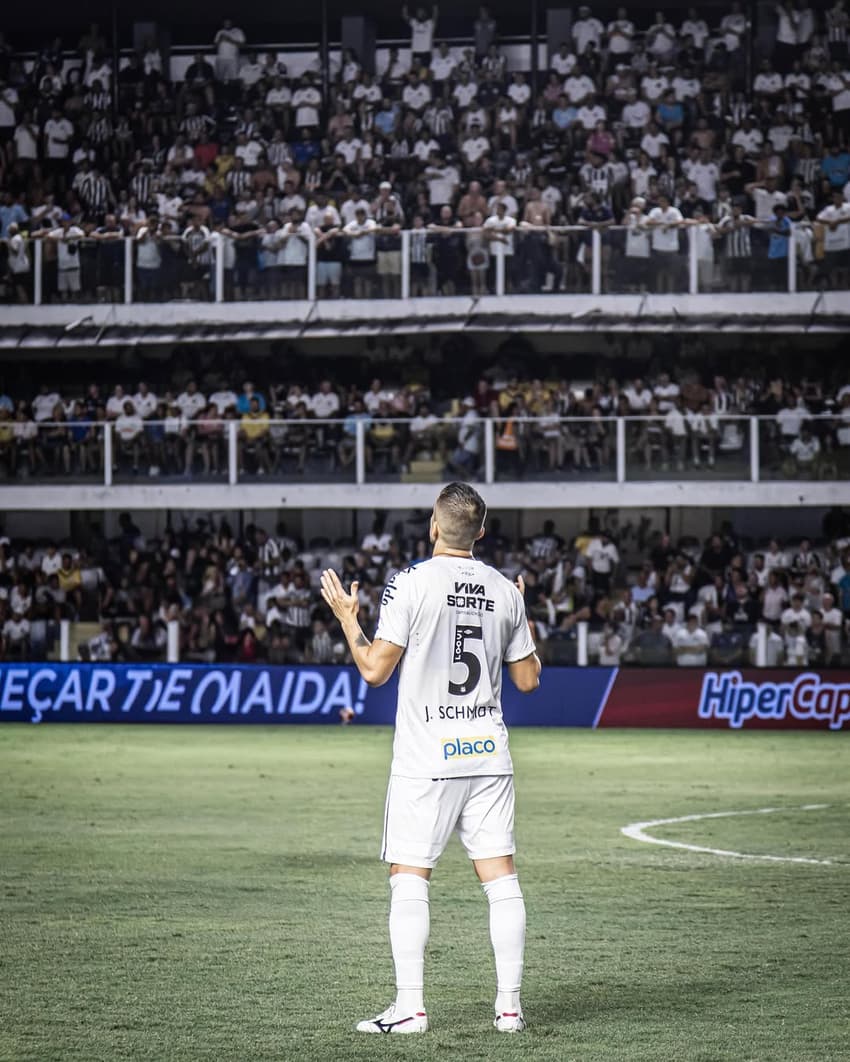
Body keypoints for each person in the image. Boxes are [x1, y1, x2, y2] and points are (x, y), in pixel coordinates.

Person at [320, 482, 541, 1035]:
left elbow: (375, 670)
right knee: (501, 879)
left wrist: (348, 617)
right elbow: (528, 680)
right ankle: (509, 1010)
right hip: (487, 754)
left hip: (427, 758)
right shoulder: (505, 591)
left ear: (434, 525)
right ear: (481, 532)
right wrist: (523, 613)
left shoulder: (410, 582)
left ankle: (411, 1008)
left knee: (409, 876)